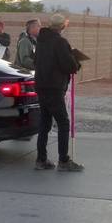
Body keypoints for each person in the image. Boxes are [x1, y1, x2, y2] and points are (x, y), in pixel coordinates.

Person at [34, 13, 84, 172]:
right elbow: (68, 66)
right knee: (63, 123)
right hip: (54, 88)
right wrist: (76, 62)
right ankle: (64, 161)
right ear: (63, 26)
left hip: (41, 86)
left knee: (44, 124)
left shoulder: (40, 41)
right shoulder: (60, 42)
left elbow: (36, 61)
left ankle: (41, 160)